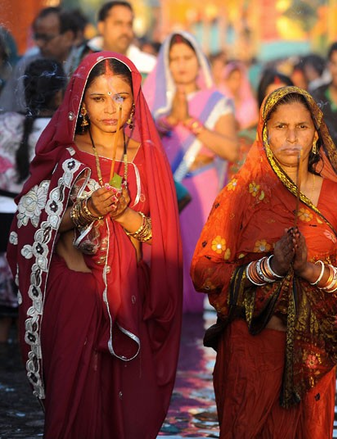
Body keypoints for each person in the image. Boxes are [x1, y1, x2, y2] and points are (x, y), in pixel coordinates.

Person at [6, 52, 182, 438]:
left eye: (120, 97)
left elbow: (162, 236)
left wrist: (122, 215)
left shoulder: (147, 160)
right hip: (73, 294)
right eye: (99, 98)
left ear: (134, 101)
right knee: (71, 408)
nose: (111, 108)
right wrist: (83, 211)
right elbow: (27, 227)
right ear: (81, 103)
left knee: (121, 411)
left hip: (130, 300)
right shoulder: (66, 156)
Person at [190, 86, 337, 438]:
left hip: (313, 355)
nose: (291, 137)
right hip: (250, 350)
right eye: (280, 127)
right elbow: (204, 269)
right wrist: (269, 268)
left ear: (316, 135)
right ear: (264, 133)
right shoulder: (241, 195)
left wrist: (309, 270)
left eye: (302, 127)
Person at [143, 31, 238, 314]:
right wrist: (166, 121)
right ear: (166, 63)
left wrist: (189, 122)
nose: (181, 65)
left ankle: (200, 343)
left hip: (202, 189)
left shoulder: (216, 100)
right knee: (165, 260)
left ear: (199, 62)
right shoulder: (153, 102)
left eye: (187, 58)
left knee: (201, 262)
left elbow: (231, 151)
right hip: (164, 191)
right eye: (174, 59)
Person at [0, 59, 66, 343]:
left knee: (2, 319)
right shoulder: (62, 132)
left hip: (1, 221)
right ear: (59, 94)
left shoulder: (3, 122)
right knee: (37, 315)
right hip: (38, 226)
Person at [0, 7, 78, 113]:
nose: (40, 43)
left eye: (46, 38)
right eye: (37, 37)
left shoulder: (83, 65)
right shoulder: (25, 65)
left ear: (68, 37)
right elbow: (6, 108)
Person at [87, 1, 156, 76]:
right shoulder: (82, 60)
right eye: (118, 23)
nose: (125, 31)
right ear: (101, 27)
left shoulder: (149, 67)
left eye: (129, 24)